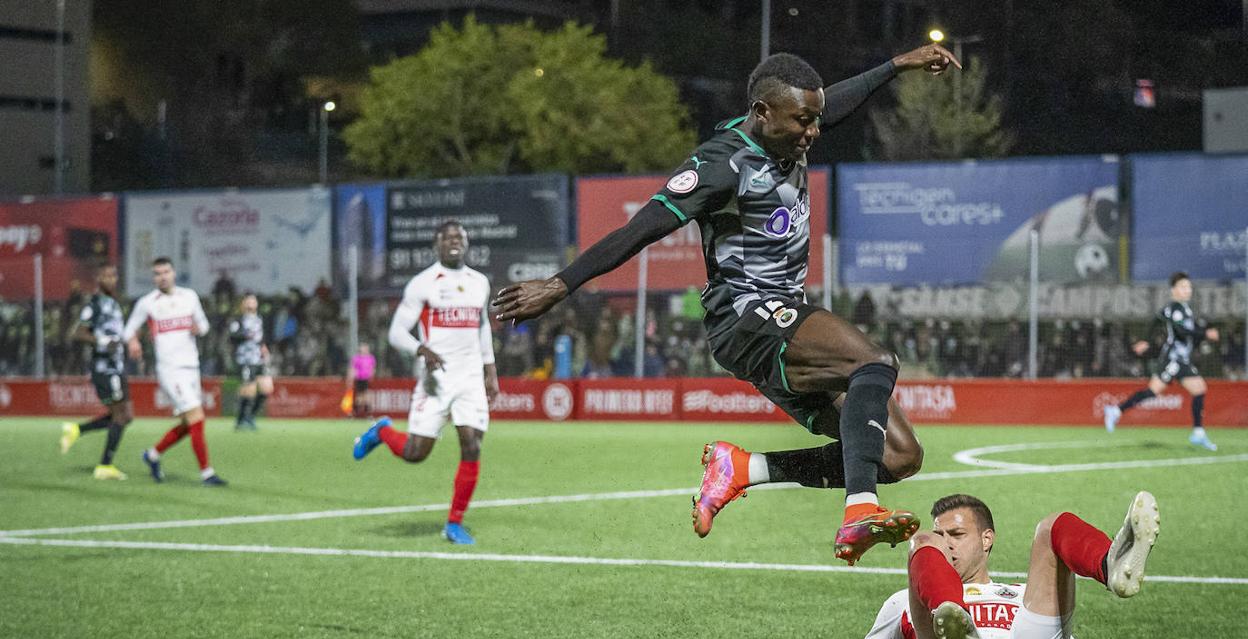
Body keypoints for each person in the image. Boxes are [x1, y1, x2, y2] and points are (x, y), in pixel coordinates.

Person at [493, 45, 960, 564]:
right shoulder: (721, 165)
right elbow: (640, 228)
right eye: (804, 121)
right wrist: (561, 284)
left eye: (815, 119)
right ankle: (859, 512)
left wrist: (897, 66)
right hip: (745, 317)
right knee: (873, 362)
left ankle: (742, 469)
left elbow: (834, 104)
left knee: (898, 456)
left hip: (781, 319)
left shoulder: (786, 128)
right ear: (763, 112)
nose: (813, 132)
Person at [814, 492, 1218, 639]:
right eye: (944, 537)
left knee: (1051, 526)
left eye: (956, 534)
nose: (948, 544)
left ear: (986, 539)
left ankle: (1110, 565)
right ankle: (950, 609)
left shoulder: (1022, 597)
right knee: (919, 541)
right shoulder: (902, 601)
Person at [353, 221, 499, 545]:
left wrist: (490, 370)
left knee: (472, 445)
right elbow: (395, 333)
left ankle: (454, 523)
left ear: (467, 242)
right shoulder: (424, 283)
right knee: (415, 453)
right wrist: (421, 348)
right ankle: (381, 432)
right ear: (436, 244)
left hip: (471, 378)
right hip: (437, 380)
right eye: (447, 238)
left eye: (459, 237)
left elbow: (482, 326)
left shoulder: (479, 282)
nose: (454, 242)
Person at [123, 257, 227, 486]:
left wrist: (198, 328)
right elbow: (128, 330)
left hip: (192, 367)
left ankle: (152, 455)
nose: (162, 276)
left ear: (174, 273)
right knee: (197, 417)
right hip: (170, 370)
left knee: (189, 422)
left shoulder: (189, 296)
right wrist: (133, 342)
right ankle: (207, 473)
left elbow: (204, 325)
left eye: (166, 271)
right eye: (157, 273)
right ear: (153, 277)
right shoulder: (148, 302)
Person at [1104, 271, 1219, 450]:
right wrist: (1205, 334)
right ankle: (1116, 411)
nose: (1187, 290)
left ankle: (1198, 433)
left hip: (1180, 359)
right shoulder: (1176, 309)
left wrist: (1146, 339)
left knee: (1195, 389)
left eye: (1188, 287)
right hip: (1173, 359)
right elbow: (1181, 332)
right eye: (1183, 287)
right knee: (1160, 391)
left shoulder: (1182, 309)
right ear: (1173, 290)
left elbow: (1156, 319)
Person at [60, 263, 132, 480]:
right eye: (107, 276)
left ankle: (77, 430)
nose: (112, 279)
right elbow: (77, 333)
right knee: (121, 415)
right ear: (98, 279)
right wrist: (101, 340)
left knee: (125, 416)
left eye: (114, 275)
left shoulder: (114, 303)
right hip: (104, 368)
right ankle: (104, 466)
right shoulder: (95, 304)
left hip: (117, 367)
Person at [228, 293, 273, 430]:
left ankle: (250, 416)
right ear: (243, 304)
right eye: (248, 300)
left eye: (253, 300)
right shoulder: (238, 320)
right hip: (245, 359)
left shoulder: (260, 319)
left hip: (259, 359)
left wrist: (264, 346)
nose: (251, 303)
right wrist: (245, 335)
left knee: (267, 388)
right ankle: (241, 420)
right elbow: (232, 336)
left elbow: (262, 337)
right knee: (249, 389)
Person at [349, 343, 376, 418]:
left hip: (366, 379)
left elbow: (372, 368)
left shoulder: (371, 358)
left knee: (366, 395)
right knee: (359, 396)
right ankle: (356, 413)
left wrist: (371, 375)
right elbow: (353, 369)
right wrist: (351, 379)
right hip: (359, 379)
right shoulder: (356, 358)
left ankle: (367, 413)